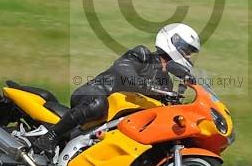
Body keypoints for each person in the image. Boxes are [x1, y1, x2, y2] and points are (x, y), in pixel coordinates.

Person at [31, 23, 201, 154]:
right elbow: (122, 68)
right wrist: (143, 83)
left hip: (115, 119)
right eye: (187, 51)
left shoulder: (166, 84)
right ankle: (50, 137)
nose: (188, 56)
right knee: (98, 104)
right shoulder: (143, 54)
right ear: (174, 43)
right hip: (96, 92)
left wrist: (182, 91)